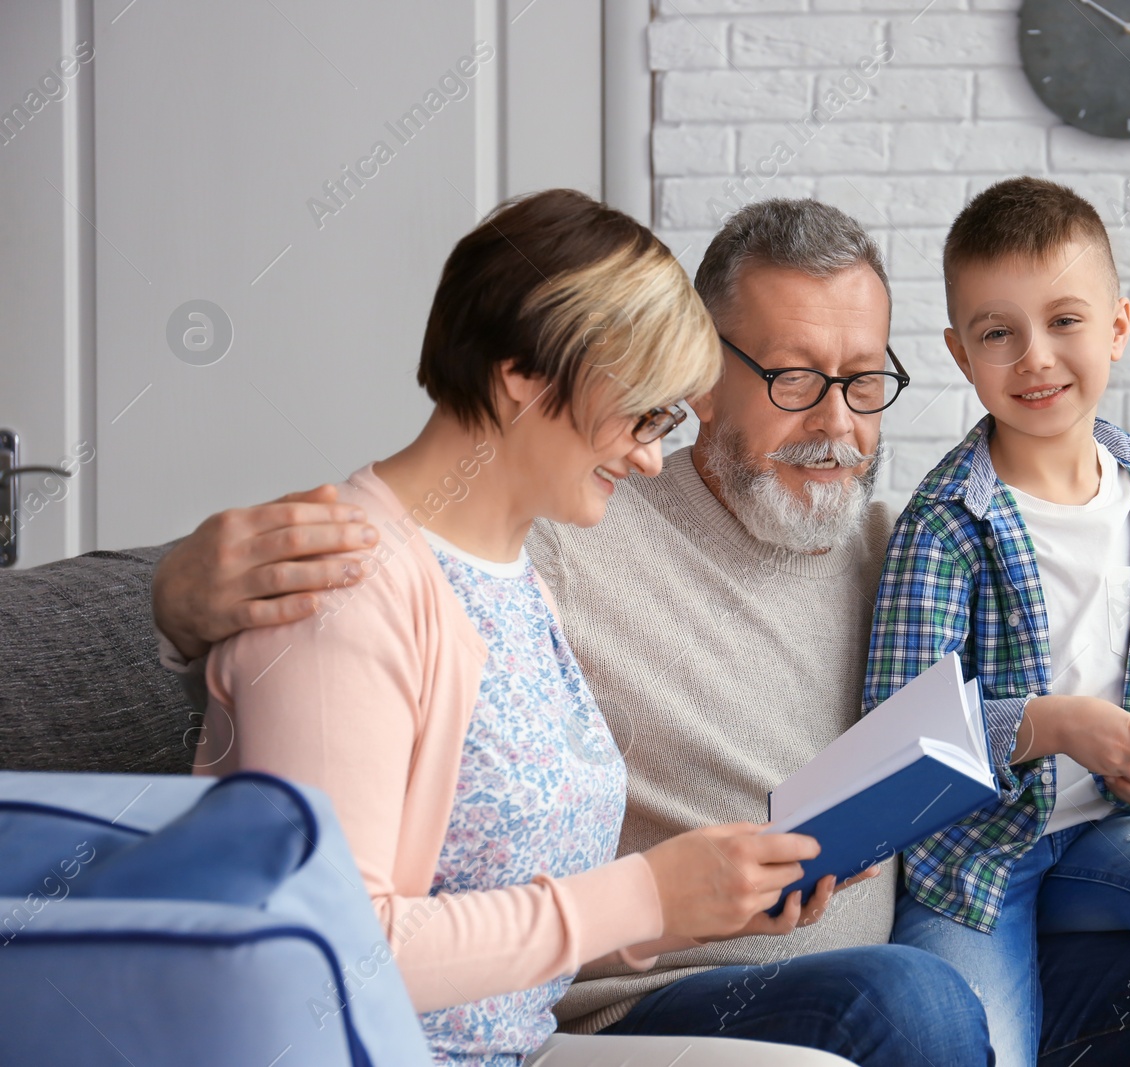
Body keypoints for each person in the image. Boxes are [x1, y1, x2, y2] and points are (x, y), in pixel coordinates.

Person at [150, 198, 1130, 1065]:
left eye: (866, 381)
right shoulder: (557, 526)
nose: (838, 423)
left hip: (874, 948)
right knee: (916, 1003)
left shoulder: (896, 542)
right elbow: (389, 546)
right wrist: (180, 597)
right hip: (661, 989)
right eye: (795, 380)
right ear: (704, 370)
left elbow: (1079, 716)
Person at [188, 188, 988, 1067]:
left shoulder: (512, 569)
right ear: (522, 378)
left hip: (518, 1043)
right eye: (643, 414)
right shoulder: (347, 584)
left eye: (663, 420)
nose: (652, 456)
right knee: (908, 1007)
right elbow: (332, 958)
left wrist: (698, 901)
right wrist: (647, 896)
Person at [864, 176, 1130, 1067]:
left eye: (1065, 321)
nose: (1036, 357)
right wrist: (1052, 724)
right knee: (975, 1043)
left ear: (1117, 327)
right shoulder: (945, 524)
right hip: (976, 861)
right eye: (998, 333)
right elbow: (899, 737)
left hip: (1120, 831)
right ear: (960, 353)